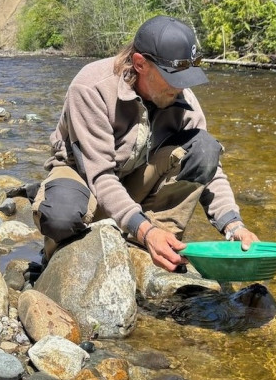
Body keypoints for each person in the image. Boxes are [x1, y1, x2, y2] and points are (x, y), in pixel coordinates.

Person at [32, 15, 258, 273]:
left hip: (138, 176)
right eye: (173, 77)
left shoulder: (182, 98)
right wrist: (145, 230)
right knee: (61, 218)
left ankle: (156, 246)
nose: (181, 88)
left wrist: (234, 226)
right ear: (140, 63)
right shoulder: (90, 88)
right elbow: (100, 176)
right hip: (85, 173)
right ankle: (57, 260)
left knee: (204, 149)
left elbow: (211, 171)